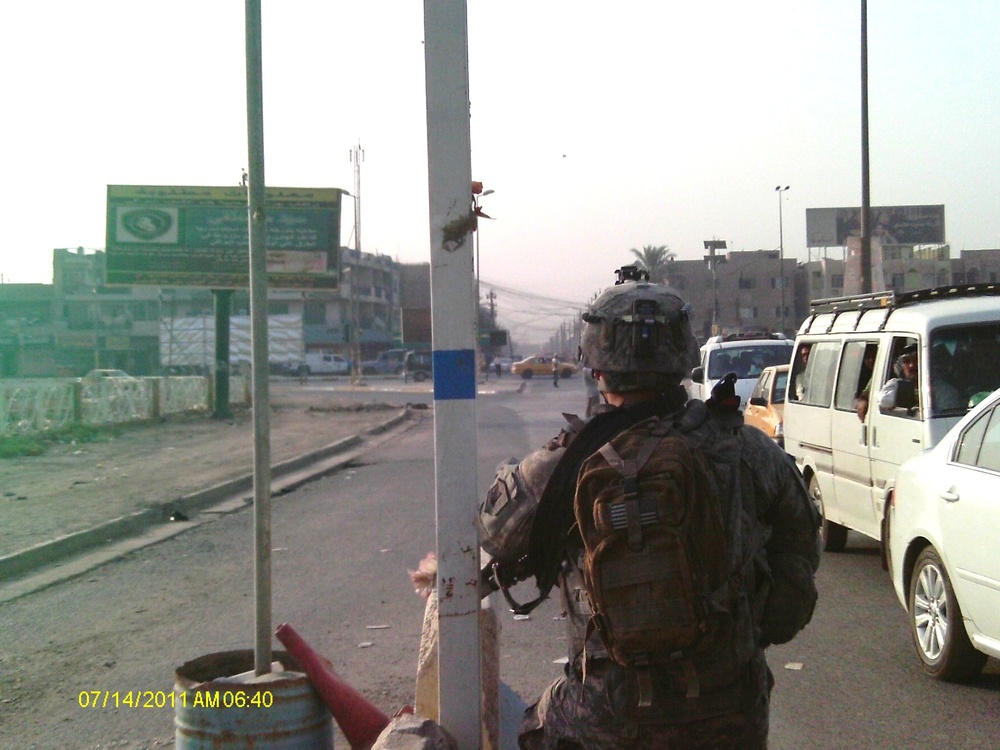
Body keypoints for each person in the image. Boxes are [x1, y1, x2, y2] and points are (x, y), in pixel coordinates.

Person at [479, 266, 819, 750]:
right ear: (683, 355)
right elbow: (800, 555)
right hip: (731, 710)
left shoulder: (570, 460)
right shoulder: (748, 449)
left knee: (532, 726)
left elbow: (495, 532)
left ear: (595, 365)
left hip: (610, 718)